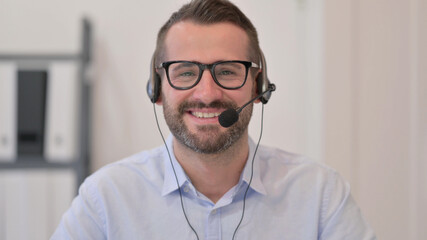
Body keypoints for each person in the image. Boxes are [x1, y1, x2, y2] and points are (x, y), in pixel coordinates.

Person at [52, 0, 376, 239]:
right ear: (157, 88)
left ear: (258, 86)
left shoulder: (320, 196)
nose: (207, 93)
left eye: (226, 71)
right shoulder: (106, 200)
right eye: (186, 72)